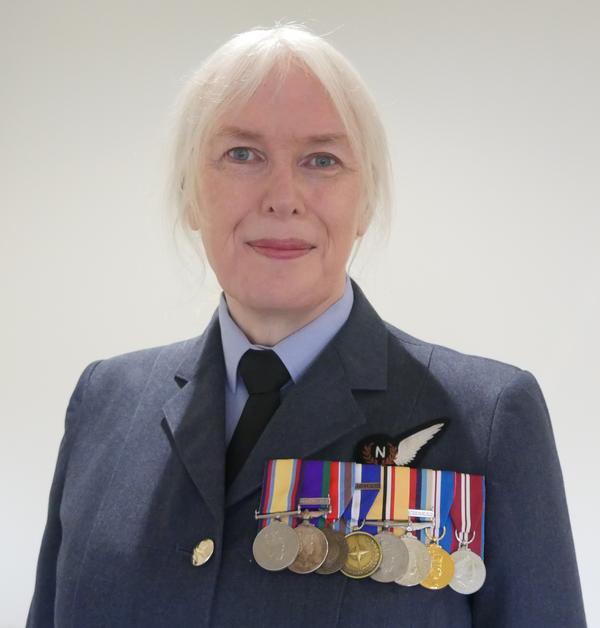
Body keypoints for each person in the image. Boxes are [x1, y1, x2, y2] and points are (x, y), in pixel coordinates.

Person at [28, 23, 586, 628]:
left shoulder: (489, 418)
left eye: (322, 160)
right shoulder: (104, 403)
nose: (283, 196)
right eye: (242, 154)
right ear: (190, 192)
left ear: (365, 202)